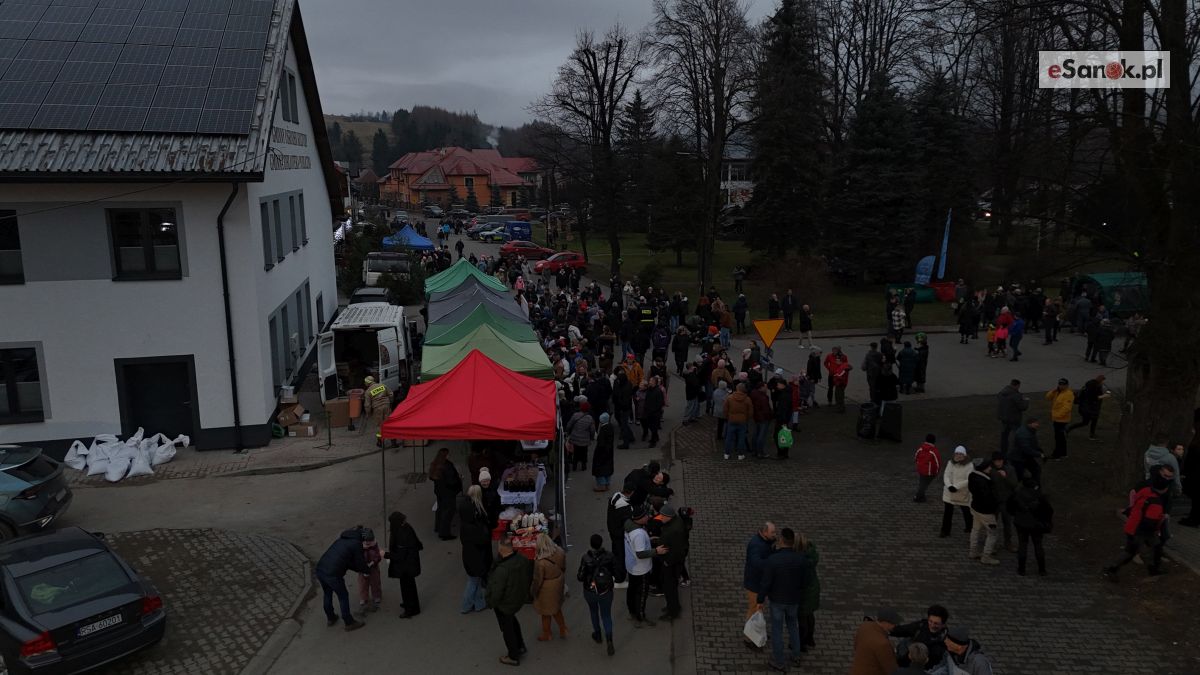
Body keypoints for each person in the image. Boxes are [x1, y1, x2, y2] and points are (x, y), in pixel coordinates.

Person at [755, 528, 810, 672]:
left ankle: (779, 661)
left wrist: (760, 599)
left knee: (777, 630)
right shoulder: (801, 560)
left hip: (777, 601)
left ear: (781, 541)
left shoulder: (773, 560)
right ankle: (796, 656)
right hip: (793, 600)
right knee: (793, 627)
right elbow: (805, 582)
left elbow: (766, 582)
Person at [1104, 474, 1171, 579]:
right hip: (1139, 530)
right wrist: (1154, 531)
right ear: (1164, 489)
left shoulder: (1146, 490)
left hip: (1134, 525)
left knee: (1155, 546)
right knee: (1130, 552)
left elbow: (1136, 504)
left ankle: (1153, 568)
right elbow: (1150, 522)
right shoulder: (1156, 503)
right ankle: (1111, 568)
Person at [487, 534, 535, 666]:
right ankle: (520, 646)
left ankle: (513, 656)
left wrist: (490, 602)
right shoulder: (522, 559)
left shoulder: (502, 570)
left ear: (502, 549)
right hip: (517, 598)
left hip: (505, 603)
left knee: (507, 629)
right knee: (512, 621)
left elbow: (496, 592)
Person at [315, 527, 369, 631]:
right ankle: (349, 622)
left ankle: (331, 617)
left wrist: (358, 569)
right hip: (333, 575)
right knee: (343, 596)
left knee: (327, 593)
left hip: (321, 569)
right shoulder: (356, 544)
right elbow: (359, 562)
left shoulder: (342, 539)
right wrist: (366, 570)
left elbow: (347, 562)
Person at [624, 505, 665, 628]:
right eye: (646, 515)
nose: (648, 517)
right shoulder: (639, 534)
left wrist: (648, 540)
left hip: (631, 566)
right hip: (641, 569)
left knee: (631, 590)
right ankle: (640, 617)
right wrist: (656, 551)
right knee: (641, 593)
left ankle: (632, 611)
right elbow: (640, 554)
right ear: (640, 518)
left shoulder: (629, 525)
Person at [577, 533, 617, 655]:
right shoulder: (609, 556)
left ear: (591, 544)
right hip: (606, 591)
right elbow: (616, 572)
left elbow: (580, 576)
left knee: (593, 611)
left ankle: (598, 634)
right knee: (606, 615)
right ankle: (609, 640)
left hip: (590, 591)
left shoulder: (586, 558)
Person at [457, 486, 493, 613]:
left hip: (469, 556)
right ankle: (465, 605)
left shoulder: (465, 526)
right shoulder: (474, 528)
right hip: (476, 558)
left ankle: (479, 604)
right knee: (473, 582)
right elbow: (483, 540)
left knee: (475, 581)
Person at [1008, 476, 1053, 576]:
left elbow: (1010, 507)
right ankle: (1042, 569)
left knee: (1022, 545)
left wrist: (1016, 514)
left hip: (1021, 523)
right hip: (1037, 524)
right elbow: (1048, 510)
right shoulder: (1039, 495)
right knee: (1038, 545)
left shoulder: (1017, 494)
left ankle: (1021, 569)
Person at [742, 520, 776, 648]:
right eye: (772, 532)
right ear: (764, 532)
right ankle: (749, 638)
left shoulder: (765, 542)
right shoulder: (756, 545)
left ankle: (756, 632)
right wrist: (771, 563)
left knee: (758, 609)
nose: (775, 534)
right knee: (754, 610)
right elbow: (756, 563)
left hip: (759, 582)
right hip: (755, 583)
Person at [531, 533, 569, 641]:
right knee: (556, 608)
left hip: (546, 588)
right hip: (558, 582)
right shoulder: (560, 552)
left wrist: (533, 592)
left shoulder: (540, 562)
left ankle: (547, 633)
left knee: (545, 612)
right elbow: (563, 567)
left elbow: (538, 580)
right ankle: (563, 628)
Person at [387, 512, 423, 619]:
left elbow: (400, 555)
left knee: (407, 587)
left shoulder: (401, 534)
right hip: (409, 563)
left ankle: (410, 609)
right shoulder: (406, 528)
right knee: (408, 586)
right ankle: (410, 604)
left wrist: (386, 555)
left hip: (406, 565)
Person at [656, 505, 689, 621]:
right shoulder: (676, 522)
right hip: (674, 562)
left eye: (662, 516)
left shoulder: (673, 531)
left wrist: (667, 562)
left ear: (669, 517)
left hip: (671, 563)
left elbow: (676, 550)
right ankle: (672, 606)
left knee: (669, 587)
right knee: (671, 586)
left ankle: (673, 611)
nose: (660, 518)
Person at [967, 458, 1000, 565]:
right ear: (982, 468)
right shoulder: (984, 481)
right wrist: (994, 507)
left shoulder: (972, 476)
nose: (990, 468)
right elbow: (988, 498)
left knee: (975, 530)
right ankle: (986, 556)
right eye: (988, 466)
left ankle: (973, 552)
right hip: (986, 512)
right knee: (992, 534)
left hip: (975, 508)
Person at [850, 609, 902, 675]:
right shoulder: (883, 644)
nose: (895, 626)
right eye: (893, 624)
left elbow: (856, 645)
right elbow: (891, 669)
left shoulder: (865, 626)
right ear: (885, 623)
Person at [940, 446, 973, 537]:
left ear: (964, 455)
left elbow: (969, 479)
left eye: (960, 454)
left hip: (962, 492)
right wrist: (949, 486)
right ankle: (945, 531)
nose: (958, 455)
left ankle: (970, 527)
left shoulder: (969, 465)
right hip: (949, 492)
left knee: (966, 511)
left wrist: (956, 486)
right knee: (948, 512)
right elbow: (946, 475)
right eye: (957, 453)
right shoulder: (950, 463)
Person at [429, 447, 462, 540]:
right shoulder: (447, 466)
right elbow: (452, 481)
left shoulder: (435, 464)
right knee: (448, 511)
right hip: (448, 492)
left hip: (439, 491)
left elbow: (432, 477)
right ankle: (444, 533)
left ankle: (438, 527)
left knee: (440, 509)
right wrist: (458, 480)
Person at [607, 482, 634, 586]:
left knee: (616, 553)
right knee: (621, 556)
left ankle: (616, 573)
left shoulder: (615, 498)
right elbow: (628, 522)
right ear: (631, 492)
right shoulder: (625, 507)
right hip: (620, 534)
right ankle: (619, 578)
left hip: (613, 531)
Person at [1067, 374, 1109, 441]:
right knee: (1088, 422)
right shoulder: (1094, 387)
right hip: (1089, 408)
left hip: (1086, 408)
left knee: (1088, 422)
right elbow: (1094, 398)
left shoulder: (1089, 386)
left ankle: (1069, 429)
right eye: (1102, 381)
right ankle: (1091, 435)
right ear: (1100, 381)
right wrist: (1105, 395)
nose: (1102, 382)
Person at [797, 532, 820, 650]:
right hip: (813, 589)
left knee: (802, 618)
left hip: (805, 593)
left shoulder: (802, 561)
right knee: (809, 614)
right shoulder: (811, 555)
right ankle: (810, 638)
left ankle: (801, 642)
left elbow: (800, 581)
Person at [363, 376, 397, 449]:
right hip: (386, 406)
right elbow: (391, 394)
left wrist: (368, 413)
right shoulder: (383, 386)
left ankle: (380, 442)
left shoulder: (368, 391)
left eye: (365, 382)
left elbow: (367, 405)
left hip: (377, 409)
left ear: (367, 383)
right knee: (389, 424)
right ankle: (393, 441)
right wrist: (390, 403)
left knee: (379, 426)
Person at [996, 379, 1027, 457]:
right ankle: (1016, 452)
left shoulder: (1002, 393)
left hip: (1004, 418)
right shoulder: (1016, 395)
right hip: (1014, 419)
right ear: (1017, 385)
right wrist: (1026, 401)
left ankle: (1003, 452)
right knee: (1017, 436)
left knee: (1004, 436)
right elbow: (1023, 407)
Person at [1045, 378, 1074, 459]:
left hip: (1062, 420)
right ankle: (1064, 453)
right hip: (1057, 419)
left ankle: (1056, 455)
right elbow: (1047, 397)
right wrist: (1053, 391)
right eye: (1060, 384)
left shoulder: (1069, 394)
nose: (1061, 386)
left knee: (1058, 438)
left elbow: (1067, 408)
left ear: (1067, 385)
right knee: (1061, 437)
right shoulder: (1057, 392)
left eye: (1063, 385)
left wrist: (1057, 415)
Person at [1010, 418, 1045, 486]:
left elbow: (1031, 443)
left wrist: (1038, 449)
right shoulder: (1023, 434)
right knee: (1019, 476)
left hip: (1024, 456)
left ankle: (1034, 485)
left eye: (1037, 423)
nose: (1037, 424)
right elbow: (1027, 449)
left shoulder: (1029, 430)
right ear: (1030, 424)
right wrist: (1039, 454)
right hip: (1018, 459)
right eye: (1035, 423)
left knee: (1036, 470)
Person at [724, 382, 752, 460]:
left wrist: (728, 417)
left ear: (736, 388)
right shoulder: (747, 399)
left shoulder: (730, 398)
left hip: (731, 420)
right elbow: (750, 411)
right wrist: (746, 419)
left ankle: (726, 454)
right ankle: (740, 454)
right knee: (741, 438)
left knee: (729, 437)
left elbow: (725, 409)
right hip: (742, 421)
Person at [565, 401, 596, 473]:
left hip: (575, 437)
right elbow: (592, 430)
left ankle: (574, 465)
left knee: (576, 451)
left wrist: (568, 432)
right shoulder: (590, 418)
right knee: (584, 452)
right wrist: (591, 437)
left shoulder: (575, 415)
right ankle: (583, 465)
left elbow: (569, 425)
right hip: (585, 439)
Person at [357, 527, 383, 613]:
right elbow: (357, 557)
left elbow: (378, 556)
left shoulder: (374, 545)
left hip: (373, 567)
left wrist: (373, 562)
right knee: (363, 584)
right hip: (362, 568)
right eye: (366, 541)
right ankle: (363, 598)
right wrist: (362, 565)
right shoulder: (359, 546)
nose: (368, 542)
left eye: (370, 540)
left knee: (375, 582)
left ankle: (376, 596)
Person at [913, 434, 942, 502]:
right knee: (924, 484)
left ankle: (921, 496)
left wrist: (918, 464)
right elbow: (938, 462)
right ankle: (918, 497)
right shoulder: (934, 451)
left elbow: (916, 456)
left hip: (921, 469)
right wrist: (937, 471)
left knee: (922, 483)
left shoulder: (921, 448)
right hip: (930, 472)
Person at [823, 346, 852, 413]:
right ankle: (830, 401)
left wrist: (842, 367)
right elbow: (825, 363)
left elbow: (847, 365)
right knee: (831, 388)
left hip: (838, 377)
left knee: (839, 392)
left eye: (836, 350)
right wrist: (829, 369)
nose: (834, 352)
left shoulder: (843, 357)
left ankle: (840, 406)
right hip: (832, 375)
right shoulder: (829, 356)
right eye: (833, 350)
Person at [592, 413, 615, 492]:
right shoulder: (610, 427)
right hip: (609, 451)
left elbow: (601, 443)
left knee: (600, 469)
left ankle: (601, 485)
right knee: (608, 467)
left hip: (602, 452)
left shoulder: (603, 429)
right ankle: (607, 483)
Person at [642, 376, 666, 448]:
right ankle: (656, 437)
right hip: (649, 412)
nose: (649, 382)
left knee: (653, 427)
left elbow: (660, 403)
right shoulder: (649, 389)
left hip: (655, 413)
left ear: (654, 382)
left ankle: (653, 441)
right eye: (649, 381)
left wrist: (653, 410)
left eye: (651, 381)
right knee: (651, 426)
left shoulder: (658, 391)